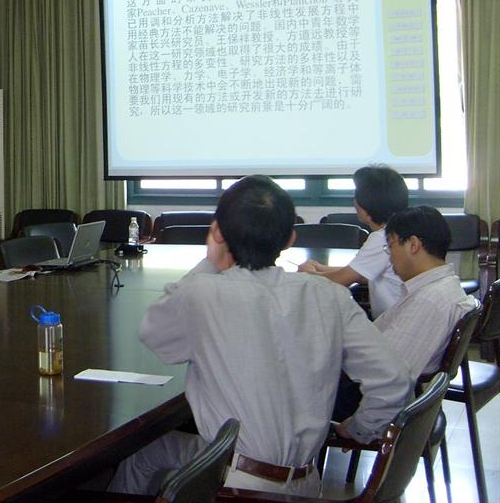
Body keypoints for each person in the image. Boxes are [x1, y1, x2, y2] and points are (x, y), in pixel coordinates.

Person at [108, 176, 411, 497]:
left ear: (218, 233)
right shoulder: (331, 296)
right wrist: (360, 429)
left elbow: (155, 337)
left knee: (140, 455)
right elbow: (394, 380)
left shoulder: (201, 293)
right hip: (306, 483)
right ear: (290, 239)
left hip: (234, 481)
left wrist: (210, 261)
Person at [333, 206, 478, 422]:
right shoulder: (442, 287)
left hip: (357, 396)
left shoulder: (428, 301)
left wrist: (358, 428)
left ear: (413, 245)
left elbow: (387, 380)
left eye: (390, 246)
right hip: (366, 382)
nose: (389, 256)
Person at [299, 164, 408, 317]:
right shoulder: (398, 231)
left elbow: (341, 280)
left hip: (391, 323)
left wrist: (308, 273)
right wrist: (321, 268)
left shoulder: (381, 238)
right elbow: (361, 274)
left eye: (356, 196)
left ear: (368, 204)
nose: (354, 201)